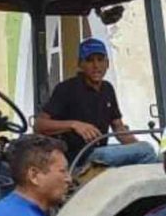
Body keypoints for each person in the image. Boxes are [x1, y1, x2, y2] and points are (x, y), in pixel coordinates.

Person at [35, 37, 159, 168]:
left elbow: (118, 127)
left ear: (107, 63)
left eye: (100, 60)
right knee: (146, 150)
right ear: (80, 64)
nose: (96, 66)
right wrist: (74, 125)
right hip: (79, 158)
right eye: (90, 60)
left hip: (102, 151)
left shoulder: (108, 89)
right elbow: (40, 125)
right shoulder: (67, 89)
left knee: (153, 155)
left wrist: (137, 147)